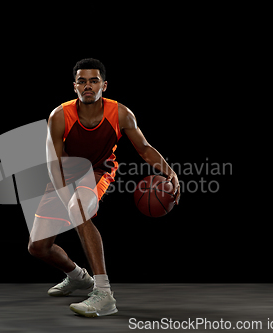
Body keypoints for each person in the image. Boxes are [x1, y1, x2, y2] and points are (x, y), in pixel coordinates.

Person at [28, 58, 180, 317]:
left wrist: (170, 171)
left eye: (94, 80)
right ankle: (78, 277)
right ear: (74, 86)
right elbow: (53, 165)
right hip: (63, 173)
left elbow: (143, 148)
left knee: (79, 211)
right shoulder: (59, 115)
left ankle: (104, 294)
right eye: (82, 81)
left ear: (104, 85)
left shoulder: (120, 114)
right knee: (38, 247)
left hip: (97, 171)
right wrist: (65, 197)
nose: (88, 85)